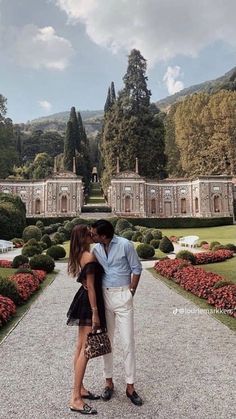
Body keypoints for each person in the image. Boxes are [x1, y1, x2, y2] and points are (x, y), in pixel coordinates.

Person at [90, 219, 143, 406]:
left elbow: (137, 268)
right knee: (107, 342)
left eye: (94, 233)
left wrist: (131, 292)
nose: (92, 235)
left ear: (104, 235)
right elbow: (91, 273)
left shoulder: (125, 245)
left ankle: (130, 386)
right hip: (105, 297)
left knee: (128, 342)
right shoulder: (95, 249)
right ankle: (108, 382)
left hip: (123, 295)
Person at [67, 224, 107, 415]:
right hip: (89, 303)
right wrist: (95, 312)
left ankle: (80, 388)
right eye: (89, 234)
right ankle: (75, 398)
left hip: (82, 301)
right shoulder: (89, 256)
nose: (93, 235)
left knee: (79, 346)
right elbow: (91, 287)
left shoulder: (80, 254)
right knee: (85, 349)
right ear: (84, 238)